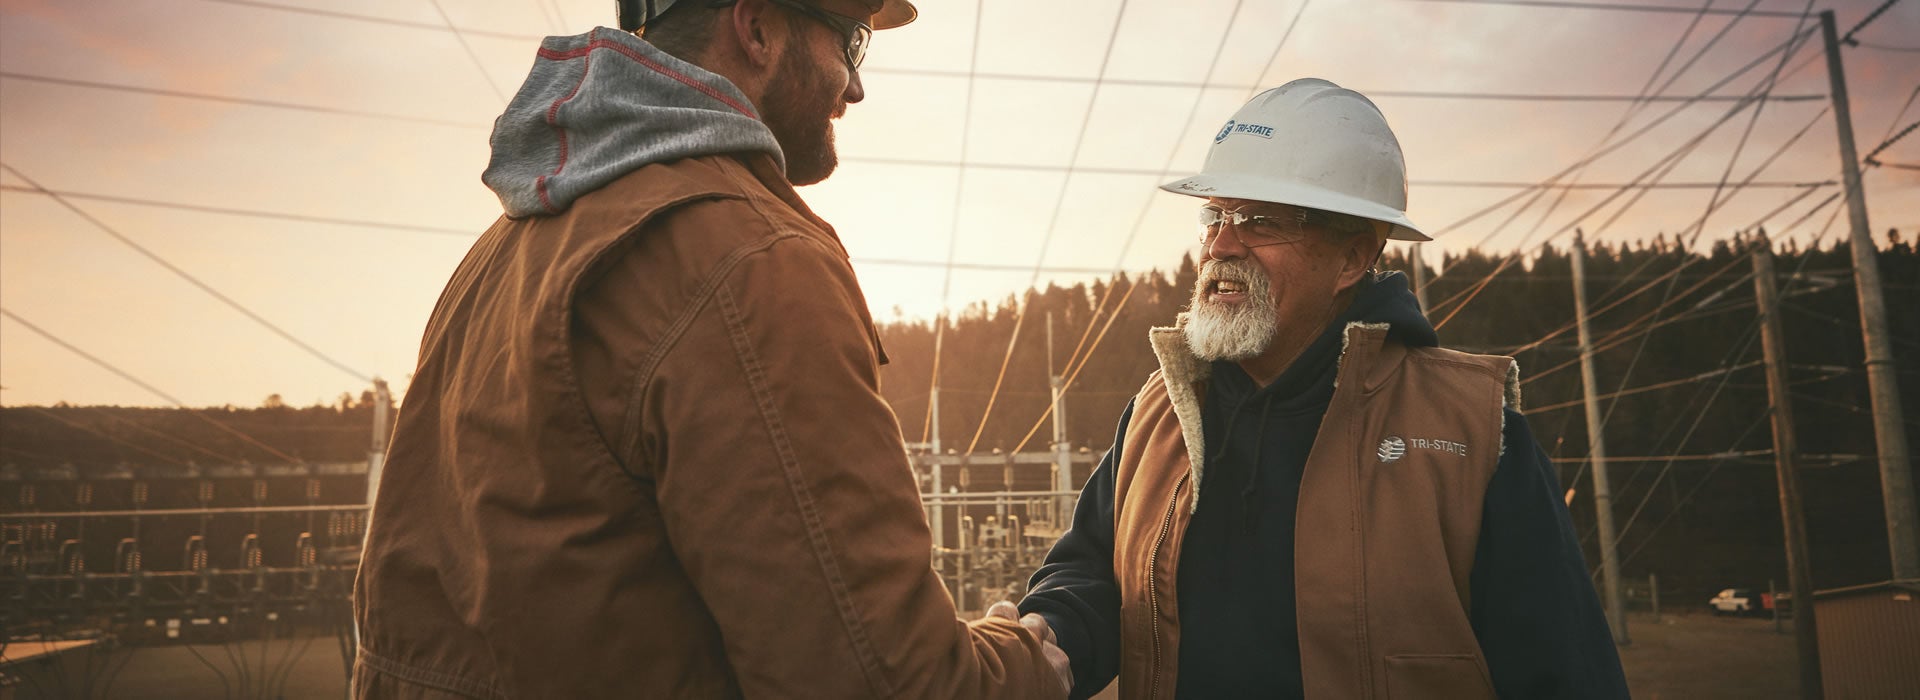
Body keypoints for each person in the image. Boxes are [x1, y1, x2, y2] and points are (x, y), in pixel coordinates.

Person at [352, 1, 1068, 696]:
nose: (855, 85)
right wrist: (1025, 668)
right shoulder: (752, 259)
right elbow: (874, 677)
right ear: (756, 27)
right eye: (851, 41)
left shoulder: (504, 253)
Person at [1017, 78, 1631, 699]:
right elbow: (1093, 571)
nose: (1221, 245)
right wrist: (1049, 638)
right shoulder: (1162, 411)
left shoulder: (1470, 430)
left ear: (1352, 259)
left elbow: (1563, 671)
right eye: (1215, 215)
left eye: (1259, 220)